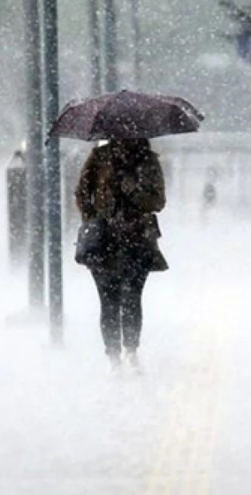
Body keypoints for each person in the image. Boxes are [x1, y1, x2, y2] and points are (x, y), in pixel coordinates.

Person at [75, 138, 168, 373]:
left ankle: (131, 350)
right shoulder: (99, 157)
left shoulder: (148, 160)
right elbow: (82, 193)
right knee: (108, 300)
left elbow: (158, 201)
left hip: (137, 239)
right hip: (104, 241)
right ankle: (113, 356)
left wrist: (134, 192)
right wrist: (95, 219)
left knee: (132, 298)